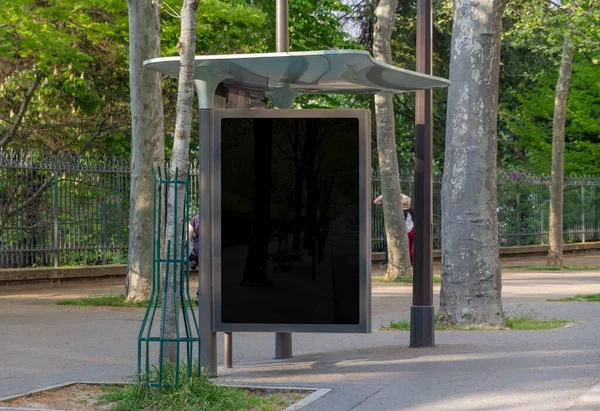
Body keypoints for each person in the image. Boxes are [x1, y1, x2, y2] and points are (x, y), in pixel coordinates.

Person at [374, 193, 413, 268]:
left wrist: (399, 193)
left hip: (397, 227)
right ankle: (387, 262)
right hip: (388, 225)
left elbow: (408, 199)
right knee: (386, 244)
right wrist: (383, 194)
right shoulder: (388, 202)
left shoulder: (400, 204)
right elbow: (376, 201)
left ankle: (400, 263)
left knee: (400, 245)